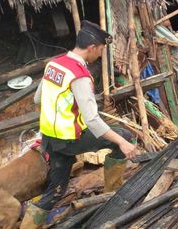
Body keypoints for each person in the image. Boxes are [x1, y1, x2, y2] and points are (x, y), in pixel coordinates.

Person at [21, 21, 137, 229]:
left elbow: (38, 99)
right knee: (124, 137)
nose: (100, 55)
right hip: (69, 140)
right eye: (101, 50)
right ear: (92, 47)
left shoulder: (54, 64)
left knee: (55, 193)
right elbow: (92, 120)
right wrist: (122, 143)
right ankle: (112, 193)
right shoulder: (79, 75)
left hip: (50, 139)